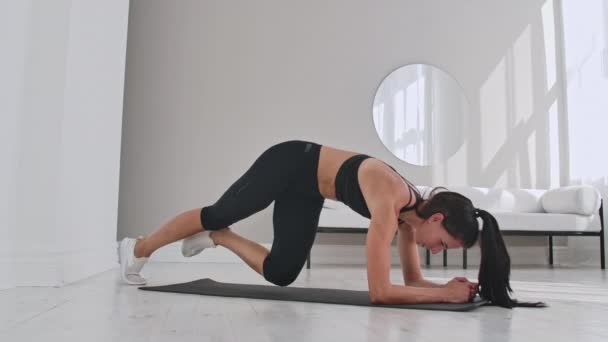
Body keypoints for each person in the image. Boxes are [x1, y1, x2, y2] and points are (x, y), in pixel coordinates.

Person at [119, 140, 545, 308]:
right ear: (437, 218)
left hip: (308, 192)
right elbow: (380, 293)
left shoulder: (410, 221)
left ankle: (218, 239)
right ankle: (137, 250)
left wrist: (447, 289)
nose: (437, 250)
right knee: (220, 209)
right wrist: (445, 297)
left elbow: (411, 281)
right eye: (445, 244)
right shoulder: (390, 199)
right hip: (290, 162)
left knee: (282, 273)